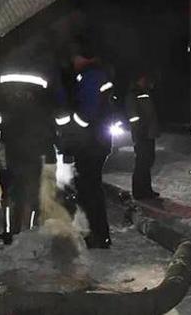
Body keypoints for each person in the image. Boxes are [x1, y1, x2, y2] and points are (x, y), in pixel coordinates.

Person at [0, 35, 59, 245]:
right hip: (32, 144)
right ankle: (26, 231)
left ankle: (10, 232)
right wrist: (52, 143)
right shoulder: (43, 71)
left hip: (9, 142)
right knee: (30, 190)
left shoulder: (0, 73)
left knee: (10, 189)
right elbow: (52, 111)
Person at [56, 50, 115, 249]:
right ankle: (99, 234)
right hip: (95, 142)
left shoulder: (90, 77)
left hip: (91, 143)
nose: (72, 61)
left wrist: (72, 129)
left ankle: (99, 236)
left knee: (90, 189)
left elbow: (87, 113)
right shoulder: (95, 74)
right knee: (90, 188)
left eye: (75, 57)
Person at [124, 72, 161, 200]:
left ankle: (146, 190)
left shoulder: (144, 92)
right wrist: (139, 130)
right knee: (142, 163)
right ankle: (139, 192)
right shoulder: (133, 95)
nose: (146, 80)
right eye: (143, 78)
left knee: (148, 161)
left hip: (148, 134)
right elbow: (133, 115)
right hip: (142, 134)